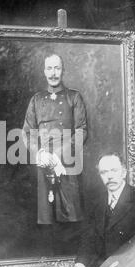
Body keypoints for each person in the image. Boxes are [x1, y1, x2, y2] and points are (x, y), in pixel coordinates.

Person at [22, 54, 88, 254]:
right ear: (44, 71)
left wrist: (59, 155)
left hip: (67, 162)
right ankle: (49, 261)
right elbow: (27, 132)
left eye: (57, 68)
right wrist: (39, 153)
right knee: (46, 215)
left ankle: (71, 261)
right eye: (49, 68)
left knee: (70, 213)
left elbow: (81, 130)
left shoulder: (73, 97)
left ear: (63, 70)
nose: (53, 73)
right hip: (43, 162)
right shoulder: (36, 99)